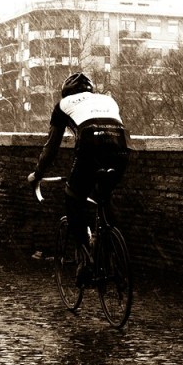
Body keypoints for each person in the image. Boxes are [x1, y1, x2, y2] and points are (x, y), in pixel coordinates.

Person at [28, 72, 129, 285]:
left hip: (90, 147)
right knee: (104, 196)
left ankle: (85, 260)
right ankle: (114, 254)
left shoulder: (64, 104)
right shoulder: (107, 99)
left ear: (67, 92)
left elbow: (51, 146)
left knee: (73, 197)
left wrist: (38, 173)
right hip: (120, 149)